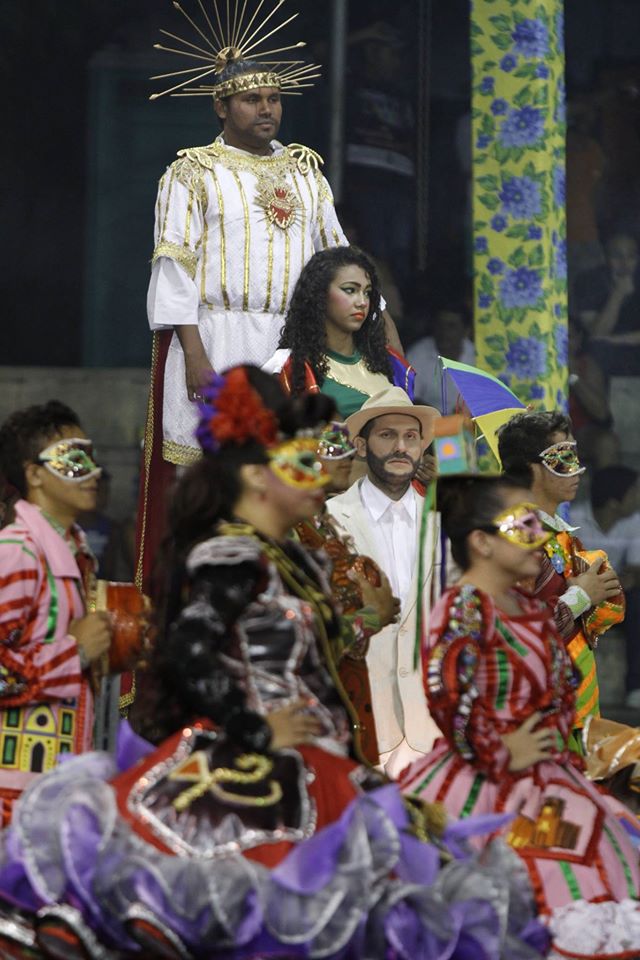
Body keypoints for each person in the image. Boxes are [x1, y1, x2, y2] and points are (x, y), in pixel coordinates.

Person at [0, 370, 545, 960]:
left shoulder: (291, 557)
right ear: (259, 477)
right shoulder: (231, 555)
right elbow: (188, 650)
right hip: (257, 770)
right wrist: (257, 729)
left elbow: (314, 668)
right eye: (301, 464)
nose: (319, 475)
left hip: (317, 762)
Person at [137, 0, 403, 590]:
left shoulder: (306, 172)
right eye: (252, 99)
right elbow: (174, 269)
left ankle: (290, 589)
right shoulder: (192, 172)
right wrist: (195, 354)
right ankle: (205, 587)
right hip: (217, 335)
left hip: (292, 339)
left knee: (293, 466)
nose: (267, 109)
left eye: (274, 99)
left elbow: (340, 260)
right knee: (219, 474)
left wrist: (383, 330)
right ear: (221, 106)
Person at [399, 476, 640, 959]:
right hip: (482, 782)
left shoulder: (529, 607)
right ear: (482, 542)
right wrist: (499, 749)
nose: (539, 535)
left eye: (538, 523)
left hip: (551, 777)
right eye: (522, 525)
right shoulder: (465, 606)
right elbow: (448, 694)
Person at [0, 401, 112, 825]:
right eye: (73, 459)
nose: (92, 472)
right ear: (33, 474)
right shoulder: (18, 552)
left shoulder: (74, 551)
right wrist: (74, 653)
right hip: (11, 802)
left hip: (52, 793)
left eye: (91, 457)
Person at [327, 386, 442, 775]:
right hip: (361, 720)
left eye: (411, 437)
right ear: (360, 446)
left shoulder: (445, 526)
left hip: (432, 727)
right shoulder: (327, 521)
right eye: (387, 435)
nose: (401, 447)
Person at [498, 411, 623, 746]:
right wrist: (583, 596)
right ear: (531, 468)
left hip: (569, 708)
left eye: (575, 456)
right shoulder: (516, 534)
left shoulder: (555, 533)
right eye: (563, 458)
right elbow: (518, 636)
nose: (577, 469)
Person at [266, 246, 415, 418]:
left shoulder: (387, 360)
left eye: (367, 293)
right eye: (350, 290)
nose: (362, 302)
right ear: (319, 295)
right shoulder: (289, 366)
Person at [570, 465, 640, 707]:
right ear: (613, 502)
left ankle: (635, 687)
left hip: (615, 591)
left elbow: (634, 570)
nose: (637, 497)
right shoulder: (574, 520)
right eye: (634, 492)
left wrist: (620, 582)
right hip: (577, 588)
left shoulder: (635, 522)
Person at [573, 230, 640, 376]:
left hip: (628, 345)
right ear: (605, 257)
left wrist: (614, 340)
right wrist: (618, 294)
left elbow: (601, 339)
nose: (624, 263)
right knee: (595, 351)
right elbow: (597, 333)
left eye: (631, 256)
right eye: (617, 256)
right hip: (602, 353)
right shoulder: (588, 281)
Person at [406, 298, 475, 411]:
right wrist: (440, 416)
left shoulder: (477, 356)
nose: (444, 332)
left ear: (466, 331)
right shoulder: (417, 354)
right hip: (431, 420)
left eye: (451, 326)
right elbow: (409, 398)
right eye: (440, 324)